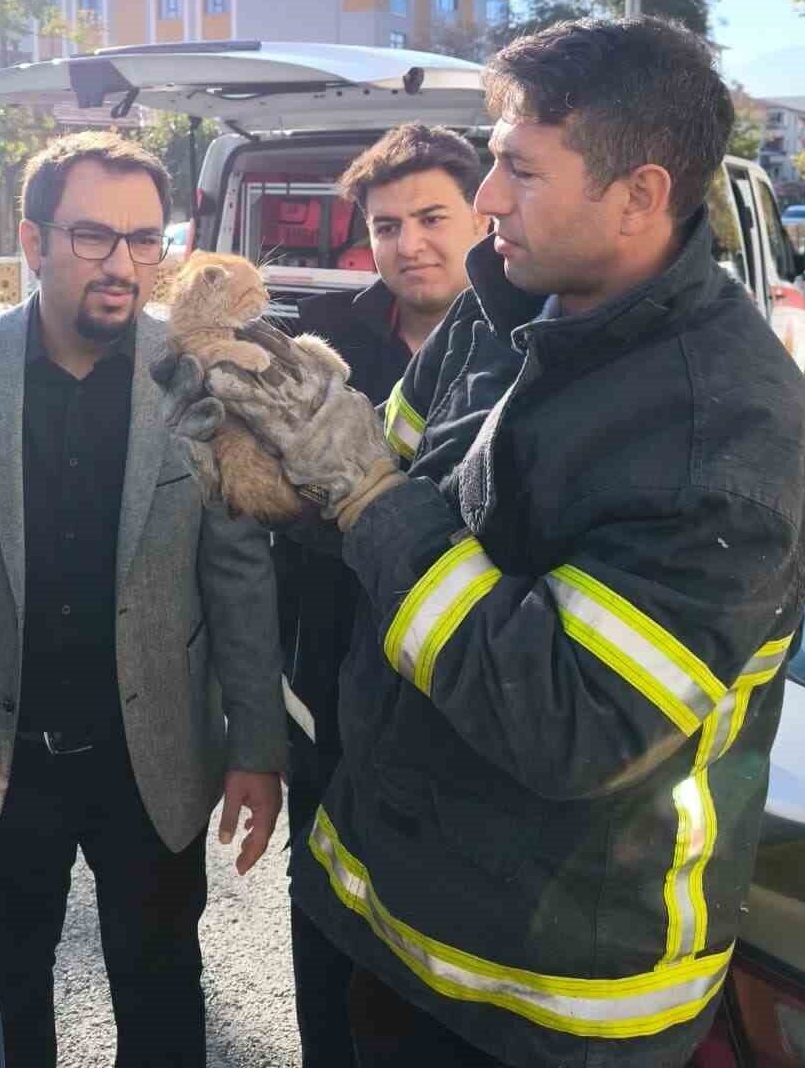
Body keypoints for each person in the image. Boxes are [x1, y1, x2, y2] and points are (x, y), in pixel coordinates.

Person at [165, 19, 805, 1067]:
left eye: (521, 170)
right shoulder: (500, 314)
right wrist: (272, 473)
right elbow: (373, 520)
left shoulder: (727, 433)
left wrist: (363, 491)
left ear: (640, 194)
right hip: (392, 927)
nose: (486, 198)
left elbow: (567, 720)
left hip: (549, 1003)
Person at [0, 129, 285, 1068]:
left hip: (156, 761)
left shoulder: (197, 372)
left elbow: (238, 570)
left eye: (145, 240)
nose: (124, 265)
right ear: (33, 241)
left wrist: (257, 745)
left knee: (163, 995)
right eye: (93, 236)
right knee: (1, 1005)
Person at [281, 123, 486, 1068]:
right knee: (323, 943)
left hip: (461, 718)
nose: (410, 244)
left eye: (433, 218)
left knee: (431, 986)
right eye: (387, 225)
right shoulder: (320, 349)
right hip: (327, 704)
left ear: (485, 216)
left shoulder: (530, 351)